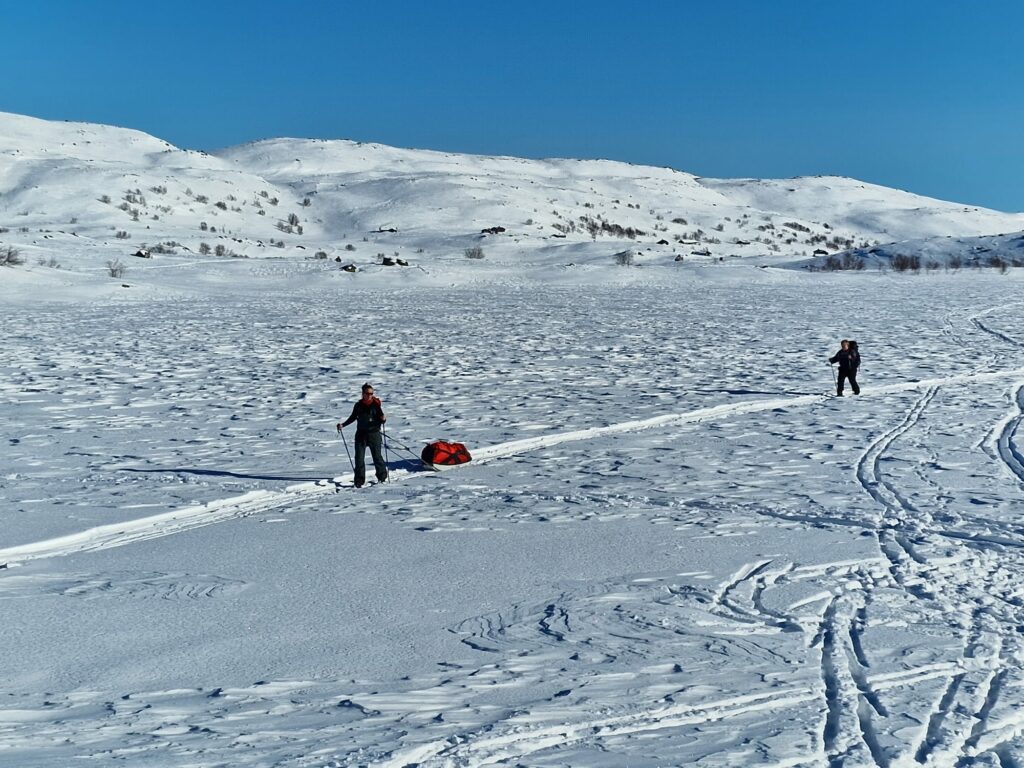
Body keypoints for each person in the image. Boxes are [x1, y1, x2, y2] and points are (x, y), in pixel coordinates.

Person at [337, 383, 388, 487]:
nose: (370, 395)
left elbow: (381, 419)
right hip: (361, 435)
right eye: (368, 393)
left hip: (374, 434)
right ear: (363, 393)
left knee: (377, 457)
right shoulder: (358, 405)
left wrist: (383, 419)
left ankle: (382, 478)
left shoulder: (375, 405)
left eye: (371, 393)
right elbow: (353, 417)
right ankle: (359, 481)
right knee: (359, 458)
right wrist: (343, 425)